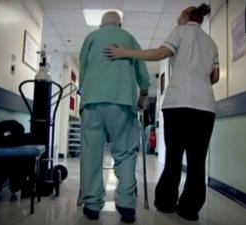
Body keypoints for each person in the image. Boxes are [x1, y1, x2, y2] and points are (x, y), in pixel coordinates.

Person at [104, 4, 219, 221]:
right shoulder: (211, 43)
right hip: (205, 107)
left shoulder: (180, 31)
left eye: (179, 16)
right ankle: (190, 209)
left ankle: (166, 203)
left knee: (174, 157)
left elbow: (160, 53)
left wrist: (124, 53)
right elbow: (214, 77)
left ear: (186, 16)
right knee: (197, 161)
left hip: (178, 104)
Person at [78, 11, 150, 223]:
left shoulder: (90, 38)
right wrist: (143, 95)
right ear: (120, 24)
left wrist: (86, 91)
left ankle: (91, 205)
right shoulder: (129, 38)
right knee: (126, 152)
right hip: (122, 101)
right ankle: (126, 204)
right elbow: (142, 73)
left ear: (101, 25)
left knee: (91, 152)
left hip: (92, 102)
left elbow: (83, 72)